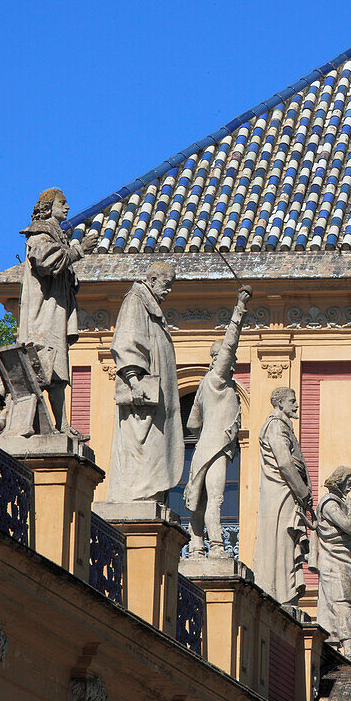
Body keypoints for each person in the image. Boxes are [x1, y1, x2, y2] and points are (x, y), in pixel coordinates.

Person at [18, 188, 97, 432]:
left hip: (55, 314)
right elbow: (45, 262)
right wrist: (78, 250)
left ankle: (62, 425)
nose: (67, 207)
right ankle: (27, 423)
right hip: (42, 317)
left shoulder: (56, 236)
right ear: (48, 206)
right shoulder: (40, 234)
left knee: (58, 372)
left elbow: (63, 273)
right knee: (40, 369)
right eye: (62, 203)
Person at [106, 261, 184, 502]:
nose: (168, 291)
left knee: (153, 449)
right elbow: (127, 340)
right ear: (152, 281)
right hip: (142, 395)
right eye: (166, 285)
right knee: (142, 447)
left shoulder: (149, 305)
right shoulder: (136, 301)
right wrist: (133, 379)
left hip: (152, 399)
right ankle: (138, 496)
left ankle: (150, 495)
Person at [184, 285, 252, 556]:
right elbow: (230, 343)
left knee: (198, 500)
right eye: (227, 359)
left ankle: (196, 545)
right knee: (216, 498)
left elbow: (192, 424)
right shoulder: (217, 380)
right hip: (215, 448)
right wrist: (240, 308)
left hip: (203, 448)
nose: (232, 361)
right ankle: (217, 546)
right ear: (218, 361)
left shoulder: (203, 387)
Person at [254, 387, 314, 609]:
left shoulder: (283, 426)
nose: (296, 405)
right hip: (282, 493)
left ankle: (284, 592)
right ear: (279, 404)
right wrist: (302, 490)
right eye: (292, 401)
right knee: (282, 539)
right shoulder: (276, 426)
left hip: (287, 492)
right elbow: (285, 463)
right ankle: (278, 593)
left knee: (286, 543)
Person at [309, 466, 351, 658]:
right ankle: (347, 648)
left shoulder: (337, 502)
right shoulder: (330, 503)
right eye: (349, 482)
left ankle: (330, 645)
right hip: (334, 559)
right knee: (342, 601)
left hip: (341, 559)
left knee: (332, 601)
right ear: (340, 481)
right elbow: (349, 526)